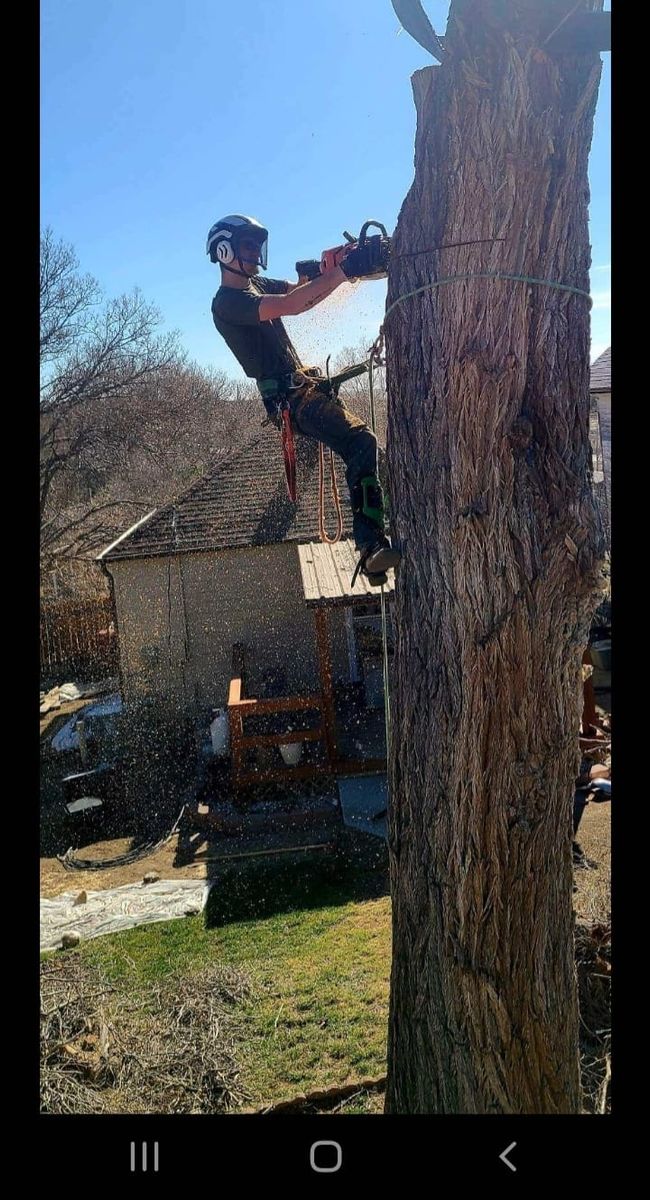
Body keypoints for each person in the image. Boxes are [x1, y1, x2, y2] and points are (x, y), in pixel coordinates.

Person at [206, 214, 401, 582]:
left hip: (303, 390)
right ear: (224, 251)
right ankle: (370, 545)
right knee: (361, 442)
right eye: (247, 245)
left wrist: (332, 265)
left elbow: (302, 291)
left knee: (365, 449)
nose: (254, 252)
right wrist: (342, 271)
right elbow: (294, 304)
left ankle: (378, 536)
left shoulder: (255, 285)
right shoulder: (228, 303)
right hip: (290, 402)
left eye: (256, 246)